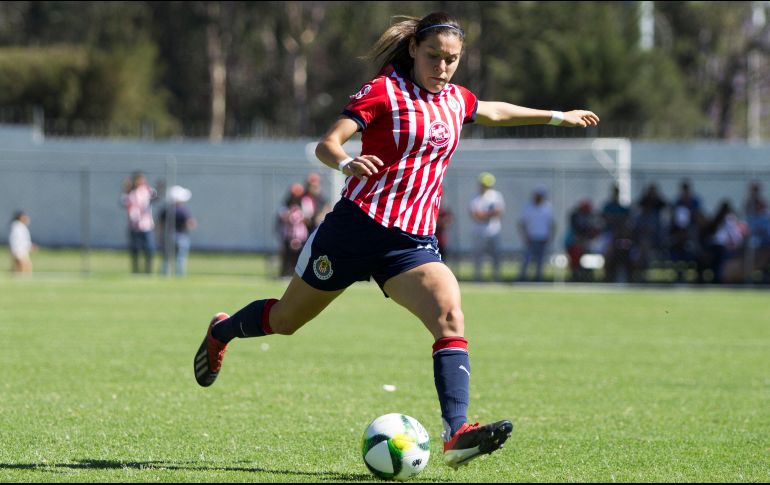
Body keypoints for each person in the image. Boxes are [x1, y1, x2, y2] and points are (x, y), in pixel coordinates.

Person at [193, 11, 598, 469]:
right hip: (353, 230)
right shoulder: (383, 91)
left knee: (449, 313)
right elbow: (328, 142)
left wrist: (557, 115)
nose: (442, 68)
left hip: (410, 243)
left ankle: (456, 431)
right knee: (286, 321)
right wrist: (345, 163)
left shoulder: (454, 100)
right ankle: (221, 331)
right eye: (433, 56)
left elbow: (494, 110)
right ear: (413, 50)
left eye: (452, 60)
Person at [469, 172, 505, 282]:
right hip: (479, 232)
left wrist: (484, 214)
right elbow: (475, 215)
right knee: (478, 256)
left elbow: (499, 212)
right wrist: (488, 214)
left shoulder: (496, 196)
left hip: (494, 231)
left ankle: (496, 277)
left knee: (496, 255)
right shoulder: (475, 198)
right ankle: (478, 278)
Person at [120, 171, 157, 274]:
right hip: (134, 226)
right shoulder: (129, 193)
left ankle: (148, 271)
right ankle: (135, 271)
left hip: (146, 225)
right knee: (135, 249)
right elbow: (122, 202)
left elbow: (155, 197)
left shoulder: (147, 190)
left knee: (149, 248)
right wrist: (125, 189)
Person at [518, 186, 555, 282]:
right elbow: (522, 223)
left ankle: (538, 279)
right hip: (531, 237)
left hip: (543, 238)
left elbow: (551, 224)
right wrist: (525, 236)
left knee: (540, 261)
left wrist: (550, 237)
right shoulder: (528, 207)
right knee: (527, 259)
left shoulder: (547, 207)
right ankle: (522, 278)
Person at [158, 185, 197, 277]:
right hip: (181, 236)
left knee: (166, 258)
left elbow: (160, 225)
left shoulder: (166, 210)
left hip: (168, 236)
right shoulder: (183, 210)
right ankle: (180, 275)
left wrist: (159, 236)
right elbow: (191, 223)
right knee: (180, 258)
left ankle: (165, 275)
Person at [276, 183, 310, 278]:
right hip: (288, 234)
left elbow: (308, 219)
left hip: (301, 235)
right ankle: (285, 273)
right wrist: (290, 215)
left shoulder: (305, 204)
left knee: (300, 256)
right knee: (287, 255)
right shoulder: (285, 206)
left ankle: (298, 275)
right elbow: (282, 218)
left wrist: (300, 217)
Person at [600, 184, 632, 283]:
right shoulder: (607, 207)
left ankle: (626, 276)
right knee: (608, 252)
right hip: (609, 236)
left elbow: (625, 222)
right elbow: (606, 219)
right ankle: (607, 276)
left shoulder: (623, 208)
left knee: (625, 250)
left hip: (620, 237)